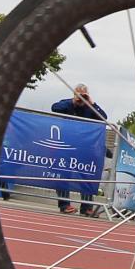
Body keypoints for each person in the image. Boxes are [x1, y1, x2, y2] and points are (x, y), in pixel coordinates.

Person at [51, 83, 107, 216]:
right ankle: (65, 205)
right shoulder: (66, 104)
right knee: (63, 174)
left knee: (87, 176)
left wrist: (91, 103)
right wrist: (73, 100)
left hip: (85, 148)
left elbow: (104, 117)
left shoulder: (90, 108)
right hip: (66, 146)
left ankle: (86, 207)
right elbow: (54, 108)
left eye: (84, 95)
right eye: (79, 94)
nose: (81, 98)